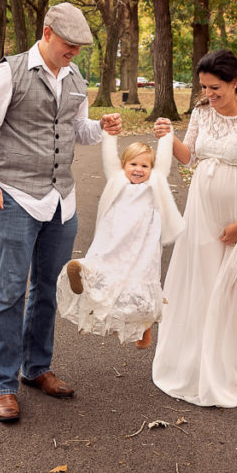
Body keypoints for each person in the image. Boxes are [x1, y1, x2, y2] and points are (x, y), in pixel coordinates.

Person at [0, 2, 122, 423]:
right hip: (15, 194)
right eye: (69, 45)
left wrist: (101, 127)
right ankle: (2, 384)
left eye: (79, 48)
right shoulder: (9, 72)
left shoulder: (76, 79)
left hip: (61, 201)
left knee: (49, 290)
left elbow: (76, 130)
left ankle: (36, 369)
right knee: (10, 290)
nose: (75, 53)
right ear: (47, 33)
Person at [150, 48, 237, 408]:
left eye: (216, 88)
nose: (209, 95)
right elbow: (189, 156)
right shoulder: (202, 112)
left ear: (235, 82)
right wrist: (167, 136)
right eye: (204, 88)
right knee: (201, 283)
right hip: (203, 209)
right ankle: (193, 364)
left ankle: (224, 370)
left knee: (234, 290)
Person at [56, 131, 184, 348]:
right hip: (114, 242)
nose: (138, 169)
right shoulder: (117, 180)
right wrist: (109, 134)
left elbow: (163, 162)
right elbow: (109, 158)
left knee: (141, 282)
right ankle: (81, 271)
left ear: (151, 170)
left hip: (143, 246)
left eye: (145, 166)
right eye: (133, 164)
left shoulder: (155, 184)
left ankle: (145, 331)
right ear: (123, 165)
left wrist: (166, 135)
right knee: (104, 269)